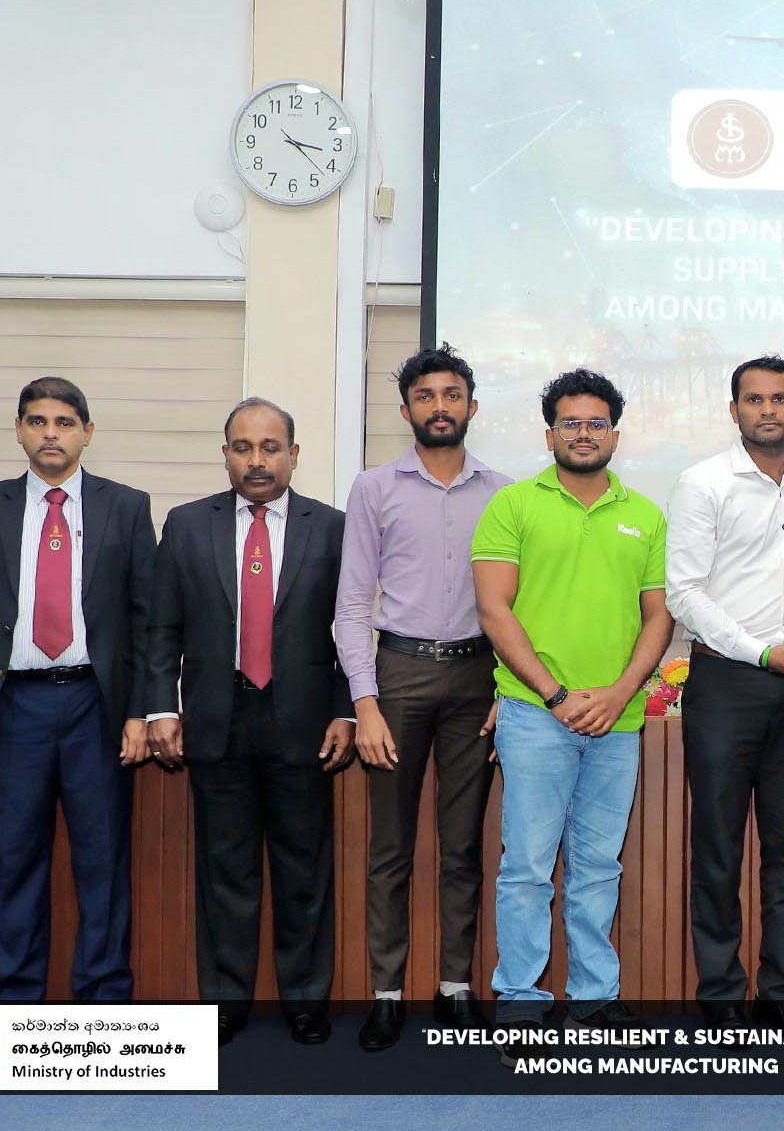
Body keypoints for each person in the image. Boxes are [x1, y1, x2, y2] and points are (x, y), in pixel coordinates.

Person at [472, 368, 672, 1063]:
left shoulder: (645, 514)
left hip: (617, 721)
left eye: (596, 424)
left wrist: (619, 694)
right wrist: (556, 695)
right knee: (527, 868)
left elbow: (659, 617)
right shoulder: (513, 505)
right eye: (570, 423)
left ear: (614, 434)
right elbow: (494, 609)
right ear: (549, 432)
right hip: (535, 714)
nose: (583, 434)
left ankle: (593, 996)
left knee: (598, 867)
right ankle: (520, 1003)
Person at [0, 376, 155, 1000]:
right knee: (17, 860)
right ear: (19, 430)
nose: (50, 434)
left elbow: (148, 620)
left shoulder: (127, 507)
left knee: (103, 862)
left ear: (87, 432)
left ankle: (104, 1002)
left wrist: (141, 710)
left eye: (63, 422)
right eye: (37, 421)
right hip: (14, 708)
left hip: (96, 705)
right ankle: (11, 1001)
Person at [145, 399, 352, 1045]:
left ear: (294, 454)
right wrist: (161, 705)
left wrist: (346, 708)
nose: (257, 460)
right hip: (217, 717)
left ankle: (306, 1002)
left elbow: (350, 630)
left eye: (270, 447)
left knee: (304, 870)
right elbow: (163, 625)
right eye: (243, 447)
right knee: (224, 869)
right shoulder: (187, 525)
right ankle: (226, 1003)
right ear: (226, 454)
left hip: (304, 721)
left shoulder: (333, 528)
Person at [335, 344, 512, 1050]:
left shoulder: (505, 493)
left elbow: (518, 608)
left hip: (477, 680)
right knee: (390, 848)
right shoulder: (373, 488)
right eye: (426, 396)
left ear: (472, 405)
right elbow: (353, 603)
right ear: (406, 408)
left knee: (462, 846)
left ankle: (454, 986)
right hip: (399, 675)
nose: (440, 407)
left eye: (452, 395)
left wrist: (508, 689)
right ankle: (386, 994)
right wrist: (365, 702)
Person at [666, 355, 784, 1033]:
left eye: (779, 398)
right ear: (734, 410)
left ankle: (782, 997)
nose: (768, 410)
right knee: (718, 852)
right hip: (725, 683)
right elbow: (684, 593)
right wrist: (758, 651)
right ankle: (720, 996)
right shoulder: (703, 483)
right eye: (754, 399)